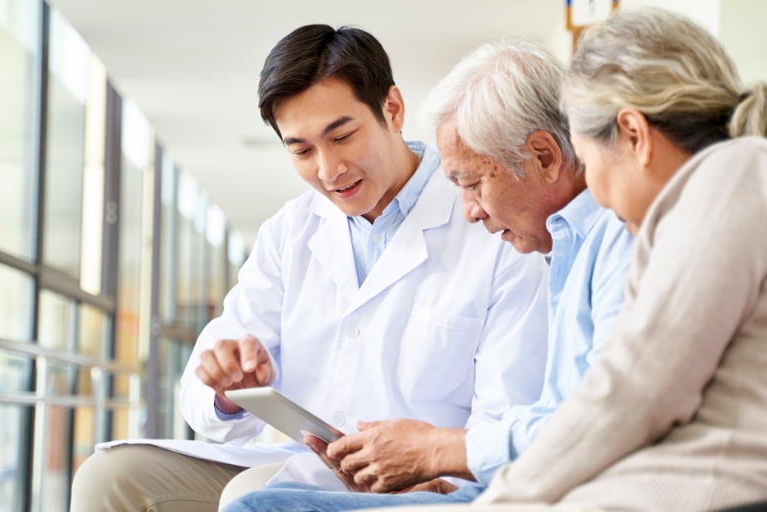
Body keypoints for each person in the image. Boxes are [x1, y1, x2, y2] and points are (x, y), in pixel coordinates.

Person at [369, 7, 767, 512]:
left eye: (591, 162)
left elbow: (633, 396)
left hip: (732, 490)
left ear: (636, 137)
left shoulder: (739, 175)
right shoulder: (745, 182)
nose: (593, 188)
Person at [68, 24, 551, 512]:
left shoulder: (493, 222)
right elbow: (200, 397)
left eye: (341, 136)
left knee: (250, 496)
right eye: (301, 150)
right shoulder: (290, 232)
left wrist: (436, 466)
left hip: (425, 481)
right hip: (300, 461)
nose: (328, 168)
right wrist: (229, 390)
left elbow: (508, 417)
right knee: (109, 478)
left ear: (393, 109)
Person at [224, 39, 633, 512]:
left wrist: (436, 453)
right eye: (302, 149)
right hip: (483, 483)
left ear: (543, 157)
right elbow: (555, 417)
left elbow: (597, 425)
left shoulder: (606, 239)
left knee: (255, 507)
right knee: (265, 498)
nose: (470, 211)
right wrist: (445, 482)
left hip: (539, 489)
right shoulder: (566, 245)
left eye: (474, 183)